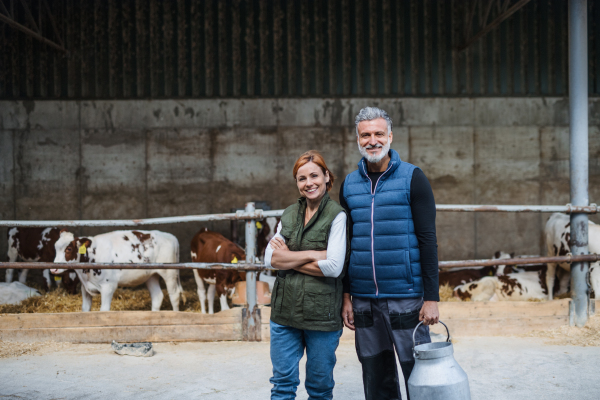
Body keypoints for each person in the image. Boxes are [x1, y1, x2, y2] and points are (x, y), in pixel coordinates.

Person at [339, 107, 440, 400]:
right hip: (364, 300)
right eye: (365, 134)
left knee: (417, 373)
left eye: (378, 133)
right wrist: (346, 295)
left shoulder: (413, 178)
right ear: (357, 139)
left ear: (390, 136)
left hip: (406, 297)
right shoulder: (349, 185)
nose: (372, 140)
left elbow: (428, 239)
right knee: (375, 374)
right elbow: (346, 243)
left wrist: (431, 297)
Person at [265, 150, 348, 400]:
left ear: (326, 177)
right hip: (284, 314)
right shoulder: (289, 213)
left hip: (321, 316)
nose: (308, 183)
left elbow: (334, 267)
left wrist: (289, 258)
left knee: (320, 387)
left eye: (314, 175)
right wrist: (315, 254)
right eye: (302, 178)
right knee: (282, 384)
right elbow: (270, 258)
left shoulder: (337, 215)